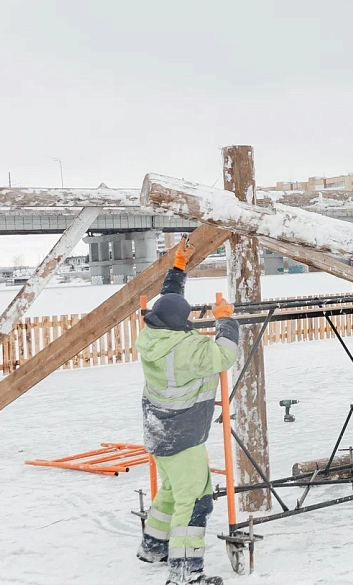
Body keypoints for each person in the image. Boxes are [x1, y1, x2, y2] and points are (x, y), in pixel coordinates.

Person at [136, 237, 239, 585]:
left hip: (157, 430)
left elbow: (166, 303)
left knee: (171, 490)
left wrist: (178, 267)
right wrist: (226, 321)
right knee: (195, 500)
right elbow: (224, 356)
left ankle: (153, 547)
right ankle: (185, 572)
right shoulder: (188, 349)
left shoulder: (150, 336)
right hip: (183, 435)